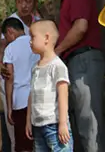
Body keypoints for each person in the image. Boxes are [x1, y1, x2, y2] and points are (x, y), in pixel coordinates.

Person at [48, 0, 104, 152]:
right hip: (78, 61)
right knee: (85, 119)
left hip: (83, 60)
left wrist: (57, 50)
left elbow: (80, 28)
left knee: (89, 121)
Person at [26, 20, 72, 152]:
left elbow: (63, 95)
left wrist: (62, 123)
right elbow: (32, 95)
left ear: (46, 38)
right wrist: (29, 120)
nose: (30, 41)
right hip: (38, 126)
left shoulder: (58, 66)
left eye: (33, 37)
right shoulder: (35, 68)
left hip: (54, 125)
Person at [2, 17, 39, 152]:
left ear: (10, 31)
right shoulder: (36, 43)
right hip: (39, 99)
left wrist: (9, 107)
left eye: (6, 36)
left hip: (21, 102)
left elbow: (9, 78)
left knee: (24, 145)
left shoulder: (10, 49)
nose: (6, 40)